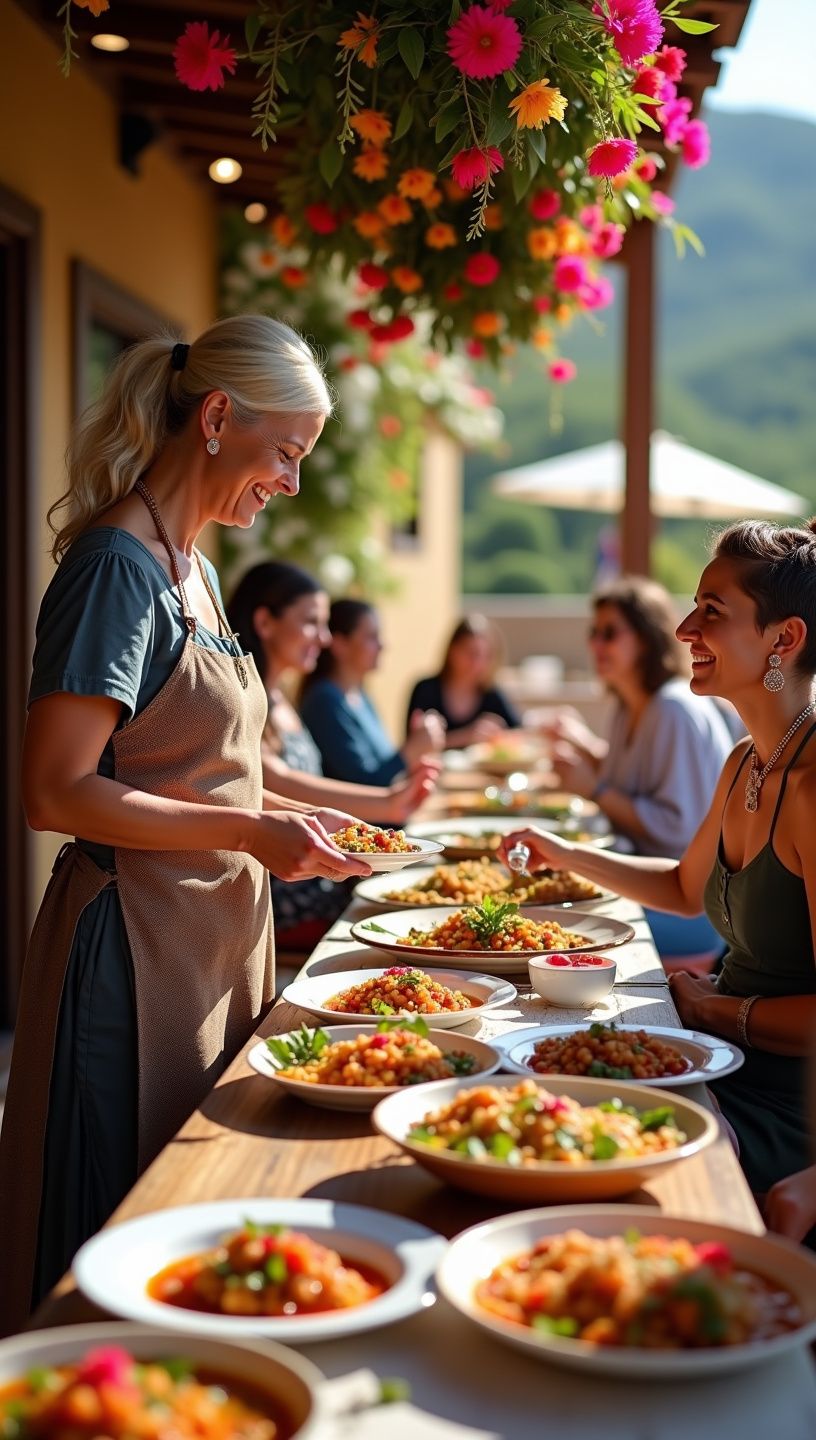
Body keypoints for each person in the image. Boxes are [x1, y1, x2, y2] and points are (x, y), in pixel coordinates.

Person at [0, 315, 376, 1334]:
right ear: (217, 417)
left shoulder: (197, 568)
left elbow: (227, 771)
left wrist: (360, 815)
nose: (290, 481)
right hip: (131, 952)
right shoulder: (115, 569)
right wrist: (254, 837)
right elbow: (55, 792)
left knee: (191, 1229)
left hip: (209, 943)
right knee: (112, 1241)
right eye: (286, 453)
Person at [499, 520, 816, 1203]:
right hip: (714, 1057)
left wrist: (718, 1010)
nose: (683, 630)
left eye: (712, 612)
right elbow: (681, 886)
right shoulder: (745, 763)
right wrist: (563, 852)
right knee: (524, 1091)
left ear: (783, 640)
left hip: (783, 1113)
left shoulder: (813, 789)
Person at [226, 561, 439, 948]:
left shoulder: (282, 698)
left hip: (317, 878)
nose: (324, 639)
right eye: (311, 623)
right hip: (287, 895)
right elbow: (276, 780)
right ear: (265, 622)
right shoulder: (245, 699)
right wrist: (388, 802)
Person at [542, 576, 732, 956]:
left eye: (610, 633)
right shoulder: (629, 703)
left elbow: (676, 828)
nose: (596, 644)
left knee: (551, 918)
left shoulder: (673, 710)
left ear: (646, 637)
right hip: (643, 883)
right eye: (594, 632)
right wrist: (586, 749)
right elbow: (629, 778)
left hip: (692, 911)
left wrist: (592, 788)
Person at [299, 598, 444, 785]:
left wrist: (417, 751)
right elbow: (363, 784)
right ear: (340, 644)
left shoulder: (359, 695)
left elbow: (385, 767)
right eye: (371, 636)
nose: (383, 645)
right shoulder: (324, 700)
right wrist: (410, 751)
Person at [405, 614, 520, 749]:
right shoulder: (426, 690)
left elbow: (519, 731)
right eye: (472, 653)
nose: (478, 664)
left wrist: (499, 735)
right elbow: (412, 746)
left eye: (487, 656)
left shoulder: (492, 694)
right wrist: (465, 737)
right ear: (452, 650)